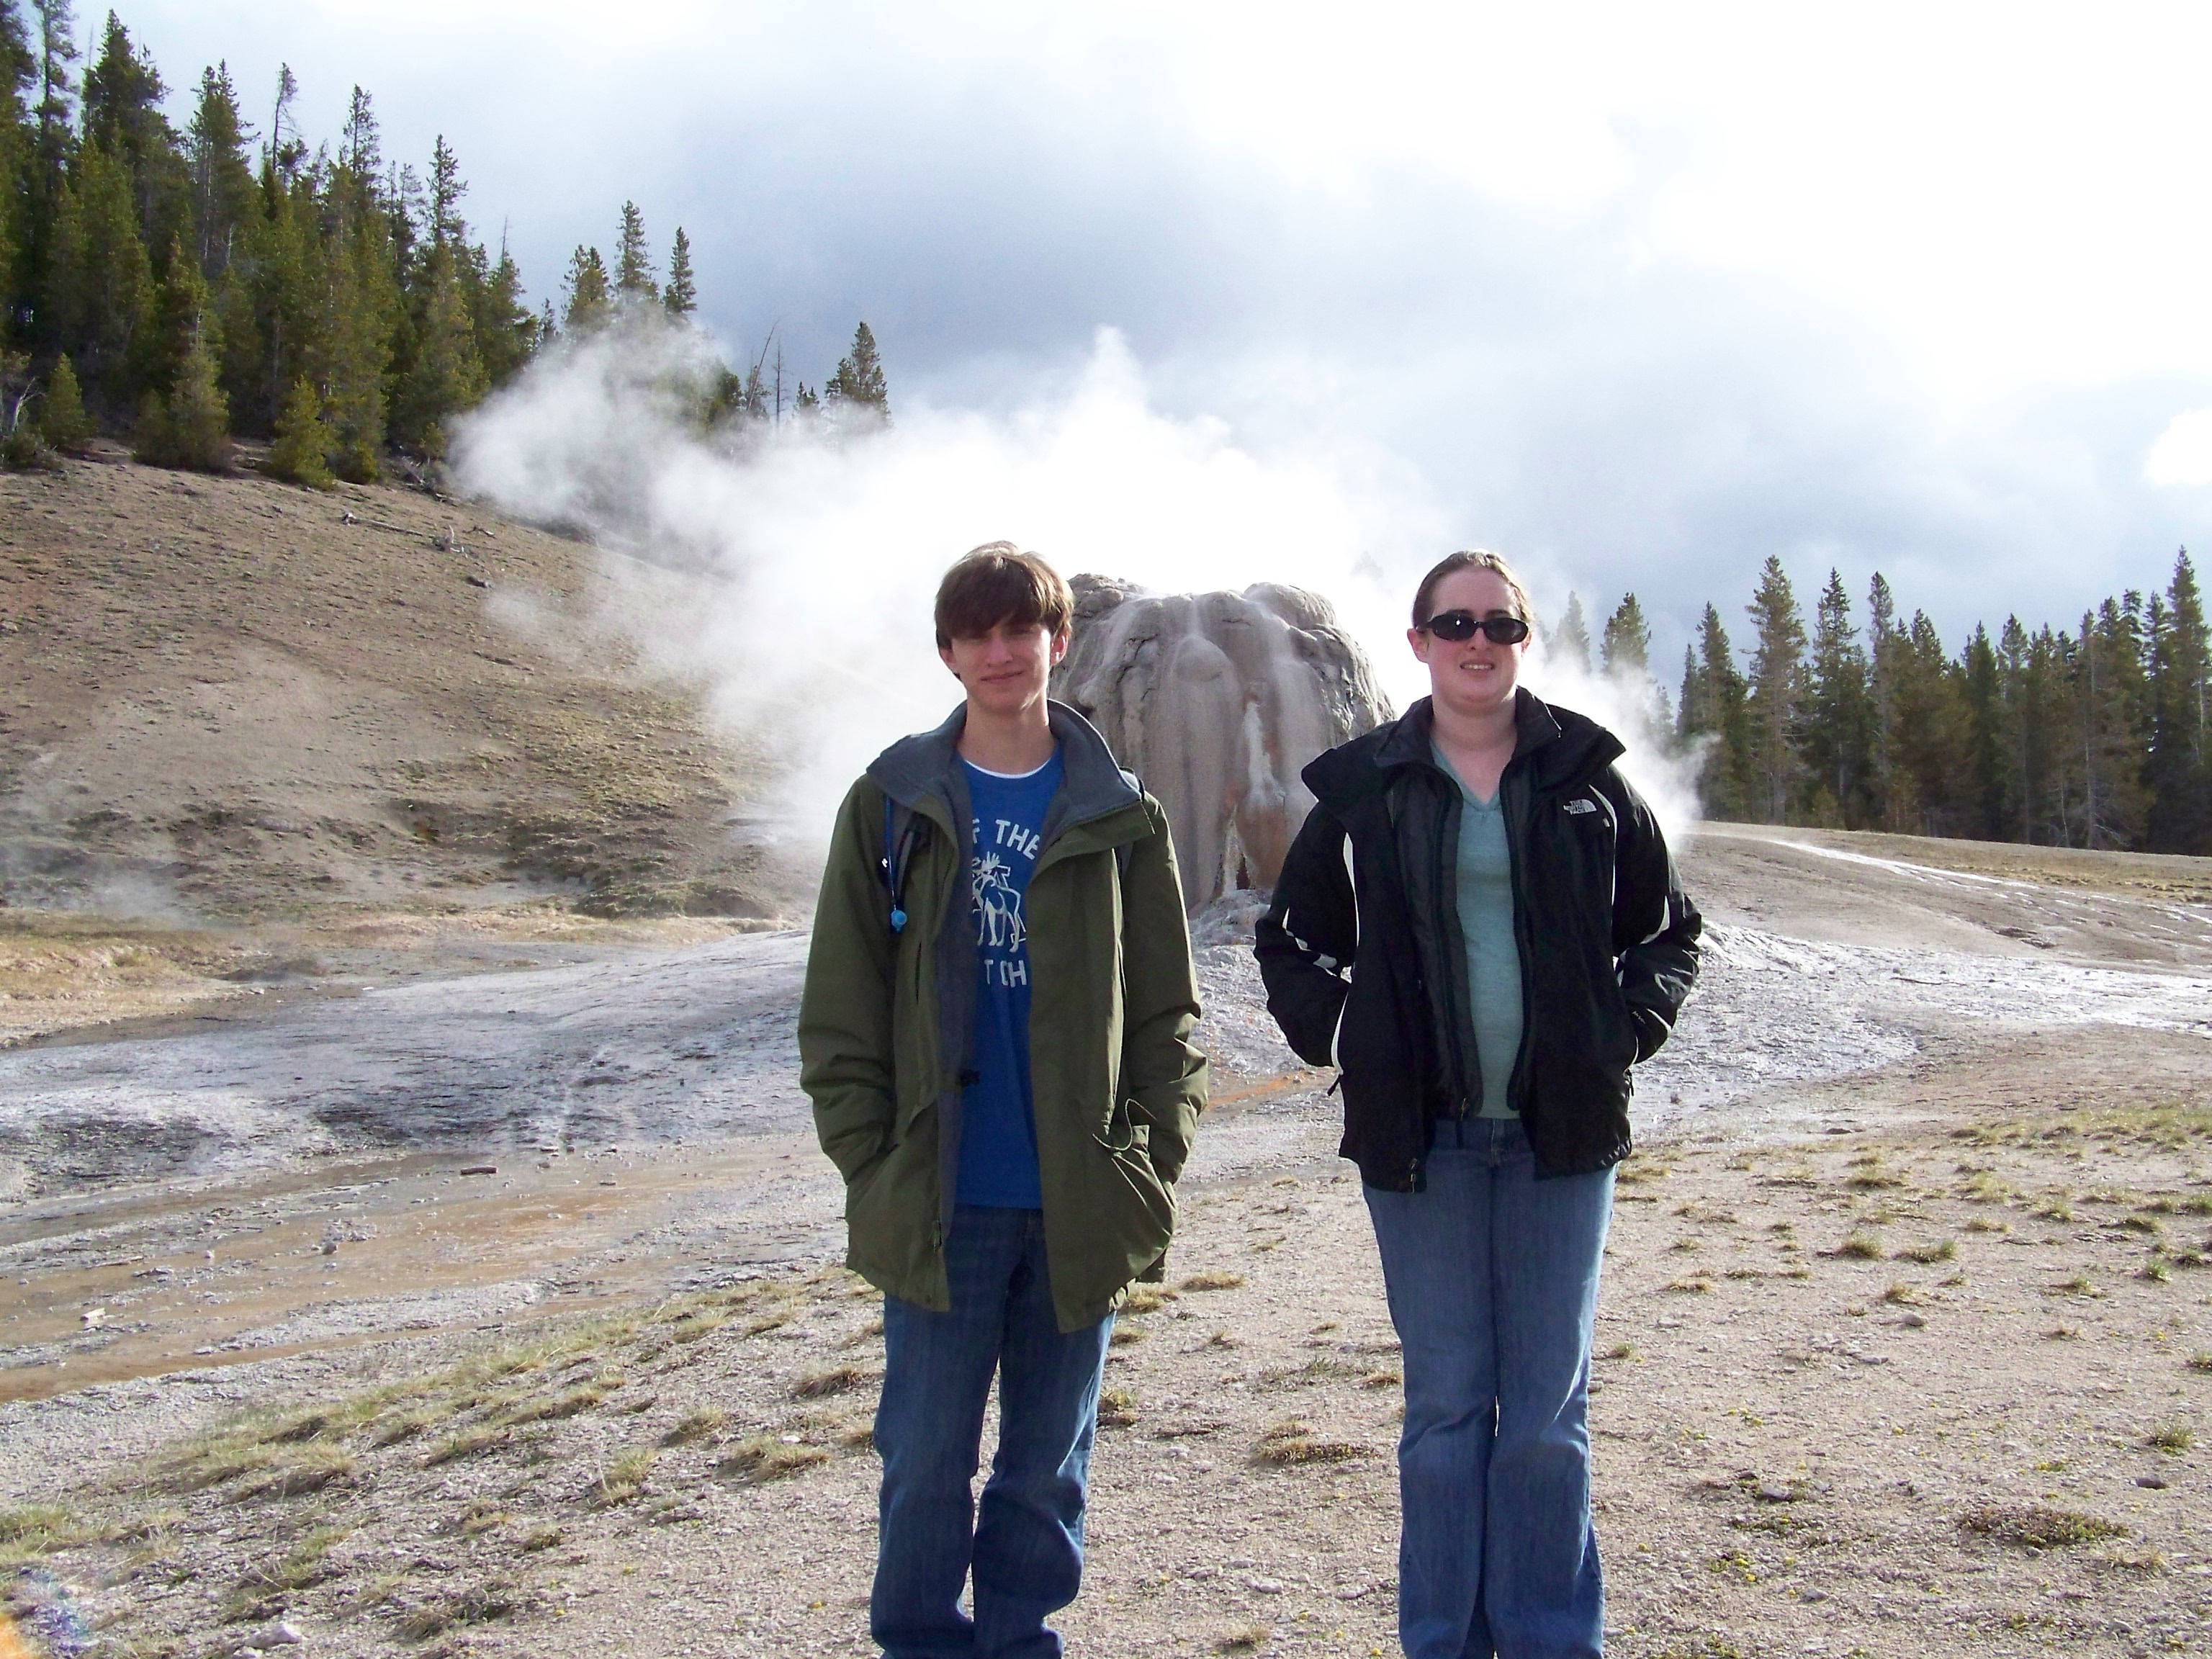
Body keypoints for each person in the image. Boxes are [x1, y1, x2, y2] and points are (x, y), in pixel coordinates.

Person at [1255, 549, 1701, 1659]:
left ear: (1522, 642)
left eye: (1499, 625)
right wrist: (1348, 1037)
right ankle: (1444, 1641)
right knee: (1448, 1410)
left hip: (1562, 1139)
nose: (1478, 643)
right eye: (1455, 624)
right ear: (1418, 643)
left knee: (1545, 1412)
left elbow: (1666, 933)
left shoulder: (1586, 781)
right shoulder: (1367, 788)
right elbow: (1292, 941)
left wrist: (1620, 1035)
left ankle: (1550, 1638)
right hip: (1425, 1142)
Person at [799, 541, 1208, 1659]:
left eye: (1019, 629)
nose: (999, 652)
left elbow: (1167, 1012)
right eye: (975, 634)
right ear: (947, 653)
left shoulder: (1123, 814)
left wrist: (1148, 1158)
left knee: (1045, 1464)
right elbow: (839, 1009)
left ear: (1057, 643)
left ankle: (1022, 1641)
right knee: (926, 1457)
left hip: (1080, 1196)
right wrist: (873, 1158)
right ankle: (921, 1641)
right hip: (941, 1197)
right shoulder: (891, 804)